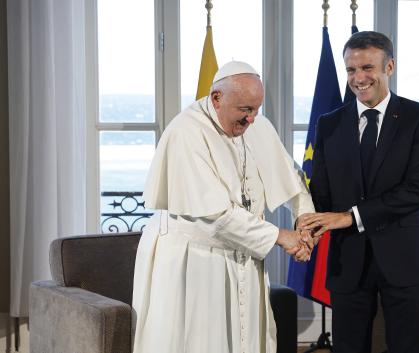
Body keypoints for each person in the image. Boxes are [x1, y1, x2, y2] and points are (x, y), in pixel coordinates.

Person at [132, 61, 315, 353]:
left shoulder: (255, 124)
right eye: (245, 110)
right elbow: (216, 216)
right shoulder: (186, 132)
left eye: (256, 109)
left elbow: (291, 178)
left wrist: (305, 221)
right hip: (193, 261)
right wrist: (281, 237)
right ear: (217, 98)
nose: (252, 119)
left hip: (241, 254)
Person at [298, 31, 419, 353]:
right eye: (351, 70)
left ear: (389, 67)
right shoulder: (329, 123)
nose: (358, 78)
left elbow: (416, 191)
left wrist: (350, 217)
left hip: (406, 258)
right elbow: (320, 192)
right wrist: (309, 229)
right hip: (348, 261)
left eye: (367, 68)